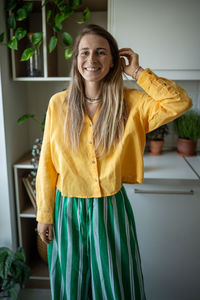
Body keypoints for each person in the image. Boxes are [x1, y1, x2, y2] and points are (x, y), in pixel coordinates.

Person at [36, 24, 192, 300]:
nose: (92, 60)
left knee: (115, 285)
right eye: (84, 52)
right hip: (67, 209)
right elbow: (47, 163)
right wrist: (44, 215)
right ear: (76, 60)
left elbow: (178, 102)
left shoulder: (132, 103)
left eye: (100, 52)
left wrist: (137, 73)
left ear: (113, 61)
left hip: (110, 207)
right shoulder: (57, 104)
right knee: (72, 286)